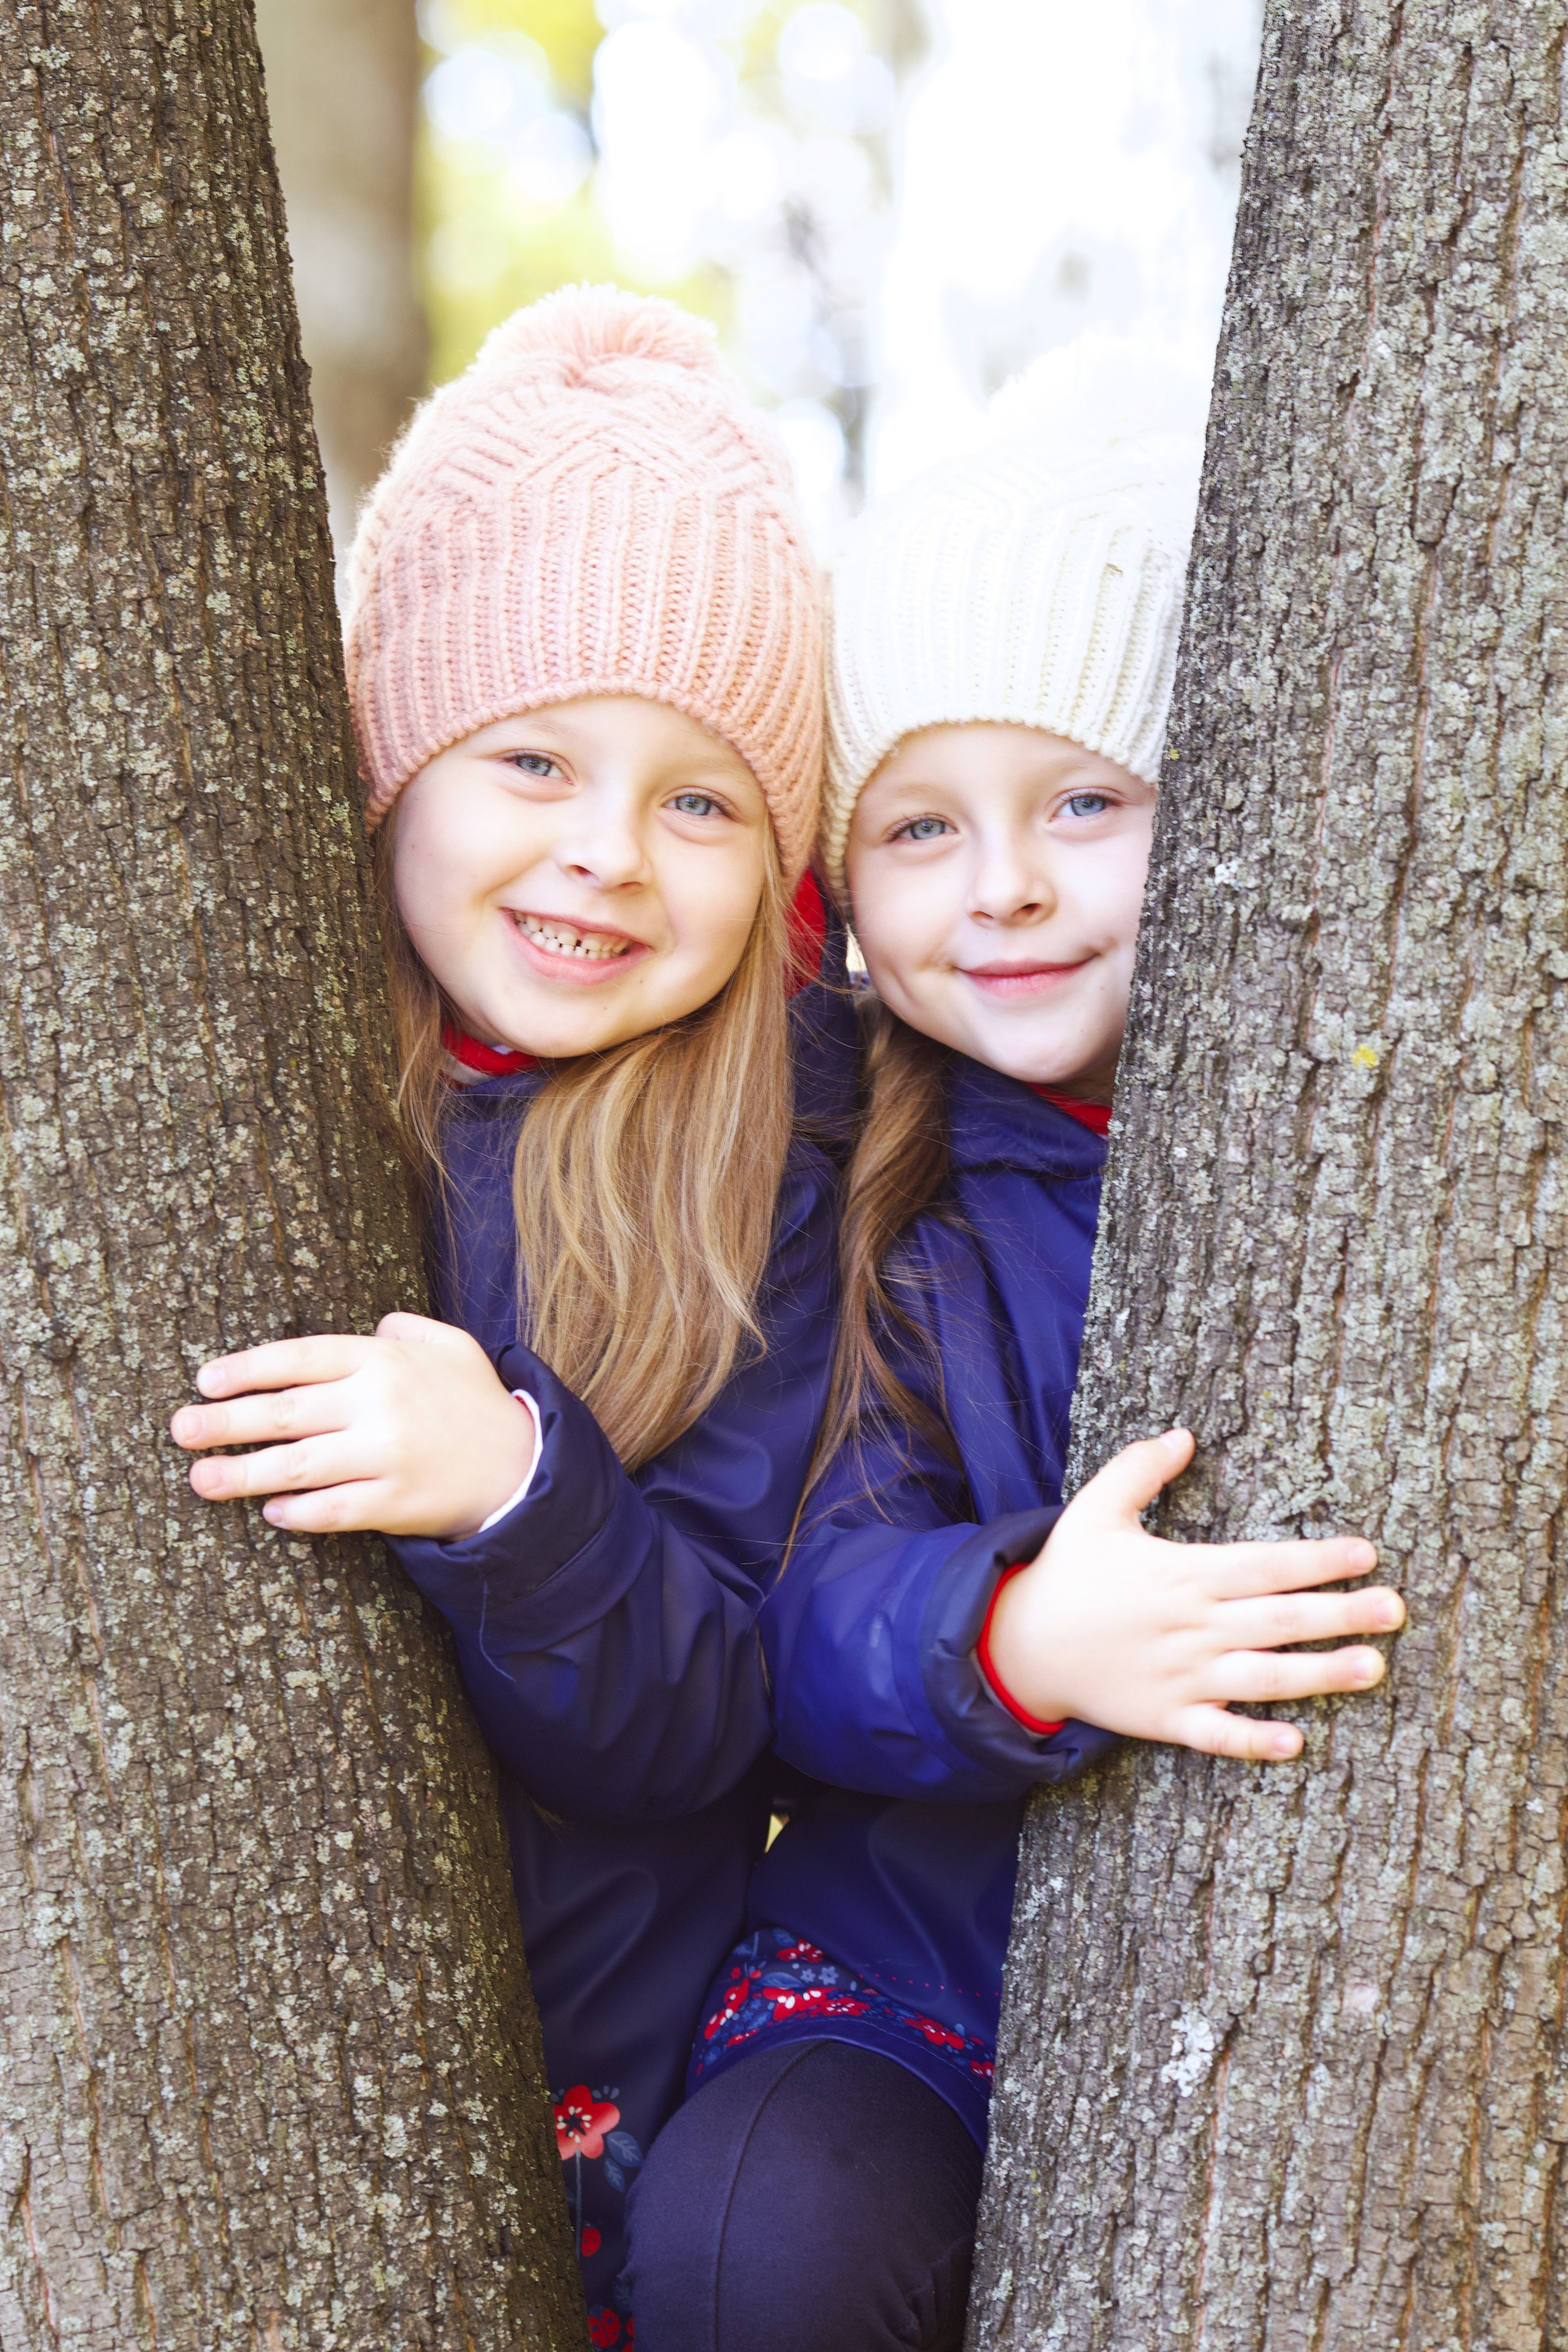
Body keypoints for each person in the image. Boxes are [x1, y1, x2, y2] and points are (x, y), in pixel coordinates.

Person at [625, 345, 1408, 2352]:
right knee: (753, 2239)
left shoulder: (1407, 1142)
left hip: (1338, 1992)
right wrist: (1010, 1640)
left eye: (1086, 800)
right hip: (917, 1970)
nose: (1011, 888)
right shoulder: (852, 1184)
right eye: (919, 829)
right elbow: (793, 1601)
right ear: (845, 899)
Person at [169, 285, 836, 2334]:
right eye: (533, 756)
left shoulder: (766, 1181)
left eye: (701, 800)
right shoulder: (269, 1085)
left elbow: (716, 1707)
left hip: (582, 2103)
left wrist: (521, 1495)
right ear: (389, 763)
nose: (605, 856)